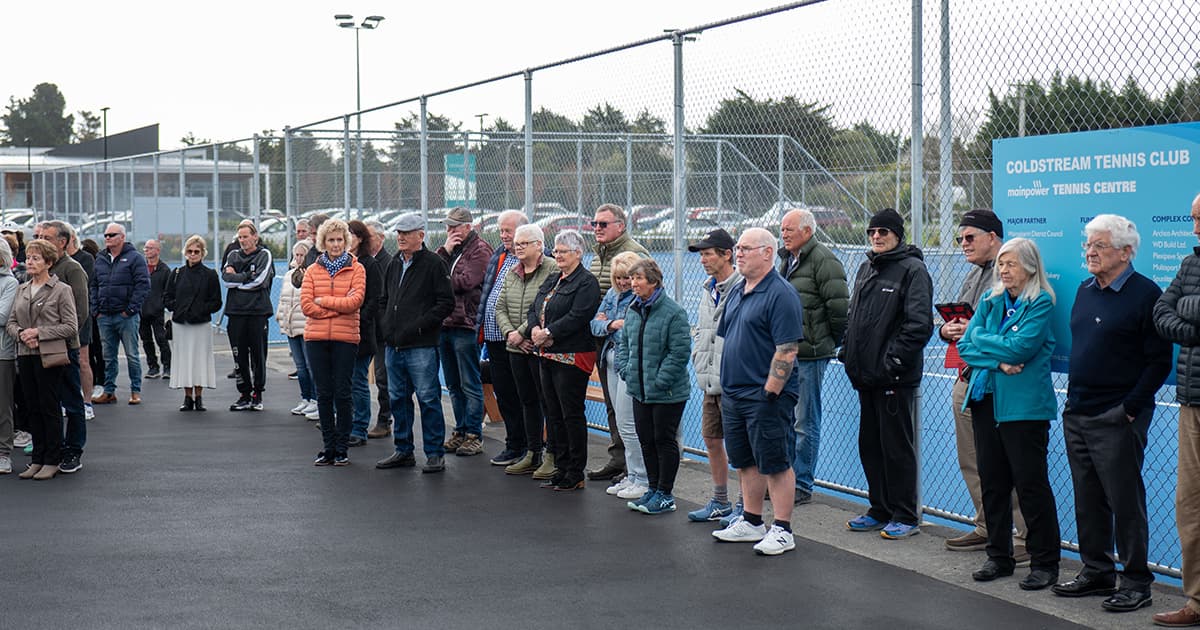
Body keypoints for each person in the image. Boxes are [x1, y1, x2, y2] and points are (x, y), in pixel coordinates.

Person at [1052, 215, 1171, 611]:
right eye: (1088, 245)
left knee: (1124, 501)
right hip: (1078, 412)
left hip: (1118, 416)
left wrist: (1130, 409)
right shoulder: (1086, 289)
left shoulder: (1145, 294)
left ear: (1125, 252)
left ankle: (1136, 582)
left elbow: (1158, 362)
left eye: (1099, 246)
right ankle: (1097, 571)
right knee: (1087, 498)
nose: (1090, 252)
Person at [956, 237, 1061, 591]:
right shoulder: (991, 299)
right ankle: (998, 556)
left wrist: (987, 343)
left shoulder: (1041, 302)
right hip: (987, 401)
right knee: (993, 483)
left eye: (1011, 264)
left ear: (1030, 267)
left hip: (1024, 409)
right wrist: (999, 360)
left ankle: (1045, 562)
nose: (1003, 270)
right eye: (1001, 264)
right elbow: (966, 346)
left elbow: (1023, 347)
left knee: (1031, 486)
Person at [938, 209, 1029, 560]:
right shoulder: (971, 277)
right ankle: (989, 524)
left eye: (970, 237)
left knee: (1008, 461)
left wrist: (972, 332)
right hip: (968, 376)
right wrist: (946, 330)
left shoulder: (1012, 275)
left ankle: (1024, 538)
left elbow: (1010, 329)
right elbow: (958, 323)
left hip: (997, 381)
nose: (963, 244)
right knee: (972, 458)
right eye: (960, 239)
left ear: (993, 237)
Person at [709, 227, 804, 556]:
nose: (739, 253)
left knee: (775, 462)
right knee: (745, 460)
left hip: (764, 398)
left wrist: (770, 392)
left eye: (746, 248)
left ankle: (782, 528)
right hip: (734, 395)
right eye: (738, 248)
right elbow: (728, 337)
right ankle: (751, 521)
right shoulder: (738, 290)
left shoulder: (781, 294)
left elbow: (787, 349)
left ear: (767, 253)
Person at [840, 208, 933, 540]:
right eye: (872, 231)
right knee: (870, 445)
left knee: (896, 448)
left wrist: (892, 363)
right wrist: (848, 350)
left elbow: (919, 325)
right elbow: (856, 316)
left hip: (893, 379)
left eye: (883, 231)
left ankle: (905, 515)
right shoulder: (867, 267)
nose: (876, 236)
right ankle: (878, 509)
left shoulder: (913, 270)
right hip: (865, 377)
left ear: (898, 235)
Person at [1151, 192, 1200, 628]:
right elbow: (1161, 313)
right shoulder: (1189, 264)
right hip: (1191, 401)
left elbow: (1181, 307)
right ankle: (1197, 601)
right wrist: (1191, 319)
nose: (1196, 228)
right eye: (1193, 219)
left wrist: (1187, 310)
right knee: (1190, 505)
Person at [778, 207, 849, 506]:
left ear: (807, 231)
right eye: (782, 230)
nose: (784, 234)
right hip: (788, 352)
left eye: (789, 230)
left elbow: (839, 308)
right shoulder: (787, 260)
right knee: (786, 419)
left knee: (805, 421)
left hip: (810, 355)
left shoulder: (824, 260)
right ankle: (787, 481)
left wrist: (827, 342)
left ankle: (802, 484)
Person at [375, 213, 454, 474]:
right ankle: (403, 450)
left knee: (428, 397)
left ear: (421, 235)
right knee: (398, 398)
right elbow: (384, 299)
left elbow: (445, 303)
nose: (400, 237)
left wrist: (418, 326)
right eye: (398, 232)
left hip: (421, 346)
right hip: (394, 345)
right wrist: (387, 326)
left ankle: (434, 453)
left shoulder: (434, 264)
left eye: (406, 233)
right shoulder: (394, 264)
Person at [529, 229, 601, 491]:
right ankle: (560, 465)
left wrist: (550, 332)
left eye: (562, 251)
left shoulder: (586, 283)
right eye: (555, 251)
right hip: (546, 354)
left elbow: (579, 315)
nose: (557, 255)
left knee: (571, 413)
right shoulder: (552, 279)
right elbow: (534, 306)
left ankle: (575, 470)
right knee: (553, 412)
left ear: (578, 253)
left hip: (572, 357)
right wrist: (535, 329)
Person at [617, 258, 691, 513]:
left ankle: (665, 493)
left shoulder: (674, 312)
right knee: (646, 439)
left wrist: (660, 380)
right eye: (632, 278)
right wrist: (625, 369)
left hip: (667, 393)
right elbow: (624, 342)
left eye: (638, 278)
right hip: (639, 389)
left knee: (663, 439)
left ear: (653, 281)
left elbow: (679, 352)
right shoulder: (634, 309)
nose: (633, 284)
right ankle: (652, 489)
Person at [586, 203, 650, 483]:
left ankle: (636, 468)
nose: (597, 229)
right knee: (613, 405)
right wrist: (606, 323)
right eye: (594, 224)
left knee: (628, 408)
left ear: (620, 226)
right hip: (603, 339)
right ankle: (618, 459)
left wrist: (610, 321)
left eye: (603, 224)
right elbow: (601, 310)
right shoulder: (598, 256)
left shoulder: (635, 255)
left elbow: (642, 299)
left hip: (627, 345)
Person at [8, 239, 78, 480]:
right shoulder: (22, 289)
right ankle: (37, 458)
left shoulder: (61, 290)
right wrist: (20, 334)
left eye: (36, 258)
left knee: (49, 407)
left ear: (49, 262)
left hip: (49, 355)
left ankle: (52, 458)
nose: (30, 262)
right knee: (32, 407)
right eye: (28, 258)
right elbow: (11, 322)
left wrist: (39, 333)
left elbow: (70, 326)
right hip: (26, 354)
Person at [686, 228, 744, 523]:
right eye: (701, 254)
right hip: (711, 380)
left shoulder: (743, 287)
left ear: (727, 254)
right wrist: (700, 359)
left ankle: (744, 506)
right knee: (711, 439)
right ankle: (720, 500)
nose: (703, 260)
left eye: (708, 254)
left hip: (734, 382)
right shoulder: (708, 288)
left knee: (740, 448)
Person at [302, 219, 366, 466]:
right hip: (316, 339)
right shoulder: (312, 270)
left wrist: (323, 301)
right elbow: (307, 305)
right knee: (324, 394)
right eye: (331, 240)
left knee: (343, 392)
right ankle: (328, 447)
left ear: (346, 241)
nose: (336, 244)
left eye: (340, 239)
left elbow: (355, 302)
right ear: (323, 242)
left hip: (345, 340)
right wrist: (336, 306)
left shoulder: (357, 269)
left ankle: (342, 448)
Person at [495, 223, 558, 477]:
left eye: (524, 243)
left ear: (539, 245)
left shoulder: (552, 270)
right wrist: (512, 335)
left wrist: (521, 333)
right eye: (517, 244)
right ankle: (532, 453)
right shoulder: (512, 272)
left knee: (548, 402)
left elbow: (542, 306)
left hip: (539, 349)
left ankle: (552, 454)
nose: (518, 247)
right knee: (527, 401)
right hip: (516, 349)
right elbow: (499, 307)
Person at [436, 207, 493, 456]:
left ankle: (473, 434)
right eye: (448, 227)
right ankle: (459, 430)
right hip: (446, 323)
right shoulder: (452, 249)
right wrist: (445, 251)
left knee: (469, 381)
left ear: (468, 227)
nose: (450, 231)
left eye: (455, 227)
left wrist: (441, 279)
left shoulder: (480, 250)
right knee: (452, 382)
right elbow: (431, 272)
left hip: (465, 324)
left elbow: (464, 282)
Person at [476, 210, 528, 464]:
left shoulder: (533, 259)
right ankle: (513, 444)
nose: (504, 235)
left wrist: (518, 332)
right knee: (505, 394)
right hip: (495, 339)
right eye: (501, 230)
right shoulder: (499, 254)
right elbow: (489, 294)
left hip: (518, 340)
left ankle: (529, 447)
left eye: (508, 230)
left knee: (524, 395)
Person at [592, 252, 645, 499]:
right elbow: (595, 324)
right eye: (618, 278)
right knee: (621, 422)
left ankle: (640, 477)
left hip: (628, 362)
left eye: (627, 277)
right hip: (609, 360)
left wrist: (609, 324)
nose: (623, 283)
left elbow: (632, 331)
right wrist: (613, 324)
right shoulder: (612, 295)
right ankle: (631, 475)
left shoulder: (639, 299)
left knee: (628, 422)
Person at [40, 222, 89, 474]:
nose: (41, 240)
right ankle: (52, 449)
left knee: (71, 400)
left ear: (62, 242)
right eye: (39, 236)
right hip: (41, 346)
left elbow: (80, 312)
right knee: (47, 401)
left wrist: (62, 338)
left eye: (47, 237)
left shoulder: (72, 269)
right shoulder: (41, 268)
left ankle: (73, 450)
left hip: (65, 346)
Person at [90, 223, 150, 405]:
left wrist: (130, 310)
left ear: (122, 237)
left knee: (132, 354)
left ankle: (135, 391)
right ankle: (109, 391)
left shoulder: (135, 258)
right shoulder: (100, 259)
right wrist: (96, 309)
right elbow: (93, 285)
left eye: (112, 235)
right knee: (108, 356)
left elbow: (143, 285)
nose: (107, 238)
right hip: (104, 316)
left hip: (126, 316)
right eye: (106, 235)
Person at [165, 235, 222, 411]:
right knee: (184, 360)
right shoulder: (177, 274)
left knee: (199, 361)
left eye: (196, 251)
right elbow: (167, 297)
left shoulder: (210, 275)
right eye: (189, 251)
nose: (193, 254)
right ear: (185, 253)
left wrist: (200, 310)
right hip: (181, 324)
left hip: (201, 324)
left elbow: (216, 302)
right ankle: (187, 397)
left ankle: (199, 397)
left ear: (203, 253)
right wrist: (179, 308)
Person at [222, 221, 274, 411]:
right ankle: (243, 394)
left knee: (258, 356)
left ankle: (257, 394)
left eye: (246, 236)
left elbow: (260, 281)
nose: (242, 240)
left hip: (257, 313)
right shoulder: (233, 255)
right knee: (239, 355)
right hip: (236, 313)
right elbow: (226, 280)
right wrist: (245, 278)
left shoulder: (264, 255)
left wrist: (239, 278)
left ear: (255, 237)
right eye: (240, 237)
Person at [346, 219, 382, 447]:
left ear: (359, 238)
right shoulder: (342, 262)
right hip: (341, 333)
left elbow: (374, 300)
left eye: (348, 235)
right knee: (344, 381)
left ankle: (359, 427)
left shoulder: (370, 265)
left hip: (361, 333)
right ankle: (346, 423)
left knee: (358, 380)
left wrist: (358, 319)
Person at [60, 224, 96, 420]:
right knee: (61, 362)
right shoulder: (55, 261)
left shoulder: (84, 260)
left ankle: (87, 402)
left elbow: (84, 290)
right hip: (60, 321)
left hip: (79, 318)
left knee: (83, 361)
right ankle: (67, 401)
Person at [278, 241, 316, 417]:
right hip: (291, 325)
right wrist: (281, 319)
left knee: (310, 365)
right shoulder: (288, 275)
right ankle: (305, 398)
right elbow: (283, 300)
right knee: (300, 366)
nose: (299, 258)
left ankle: (315, 400)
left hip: (306, 325)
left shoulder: (312, 274)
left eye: (302, 255)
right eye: (297, 255)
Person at [365, 219, 394, 438]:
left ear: (381, 239)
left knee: (383, 377)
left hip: (382, 330)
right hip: (367, 328)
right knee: (357, 375)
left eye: (370, 237)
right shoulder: (363, 261)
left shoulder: (387, 263)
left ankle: (385, 420)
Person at [139, 239, 172, 380]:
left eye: (150, 248)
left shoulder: (165, 270)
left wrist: (162, 304)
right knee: (146, 340)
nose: (147, 250)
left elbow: (169, 291)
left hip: (157, 311)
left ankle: (168, 366)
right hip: (141, 310)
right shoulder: (140, 268)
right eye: (145, 248)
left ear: (157, 251)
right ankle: (153, 366)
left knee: (161, 338)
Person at [0, 239, 18, 474]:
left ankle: (3, 452)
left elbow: (3, 316)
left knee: (3, 405)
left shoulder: (10, 283)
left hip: (2, 354)